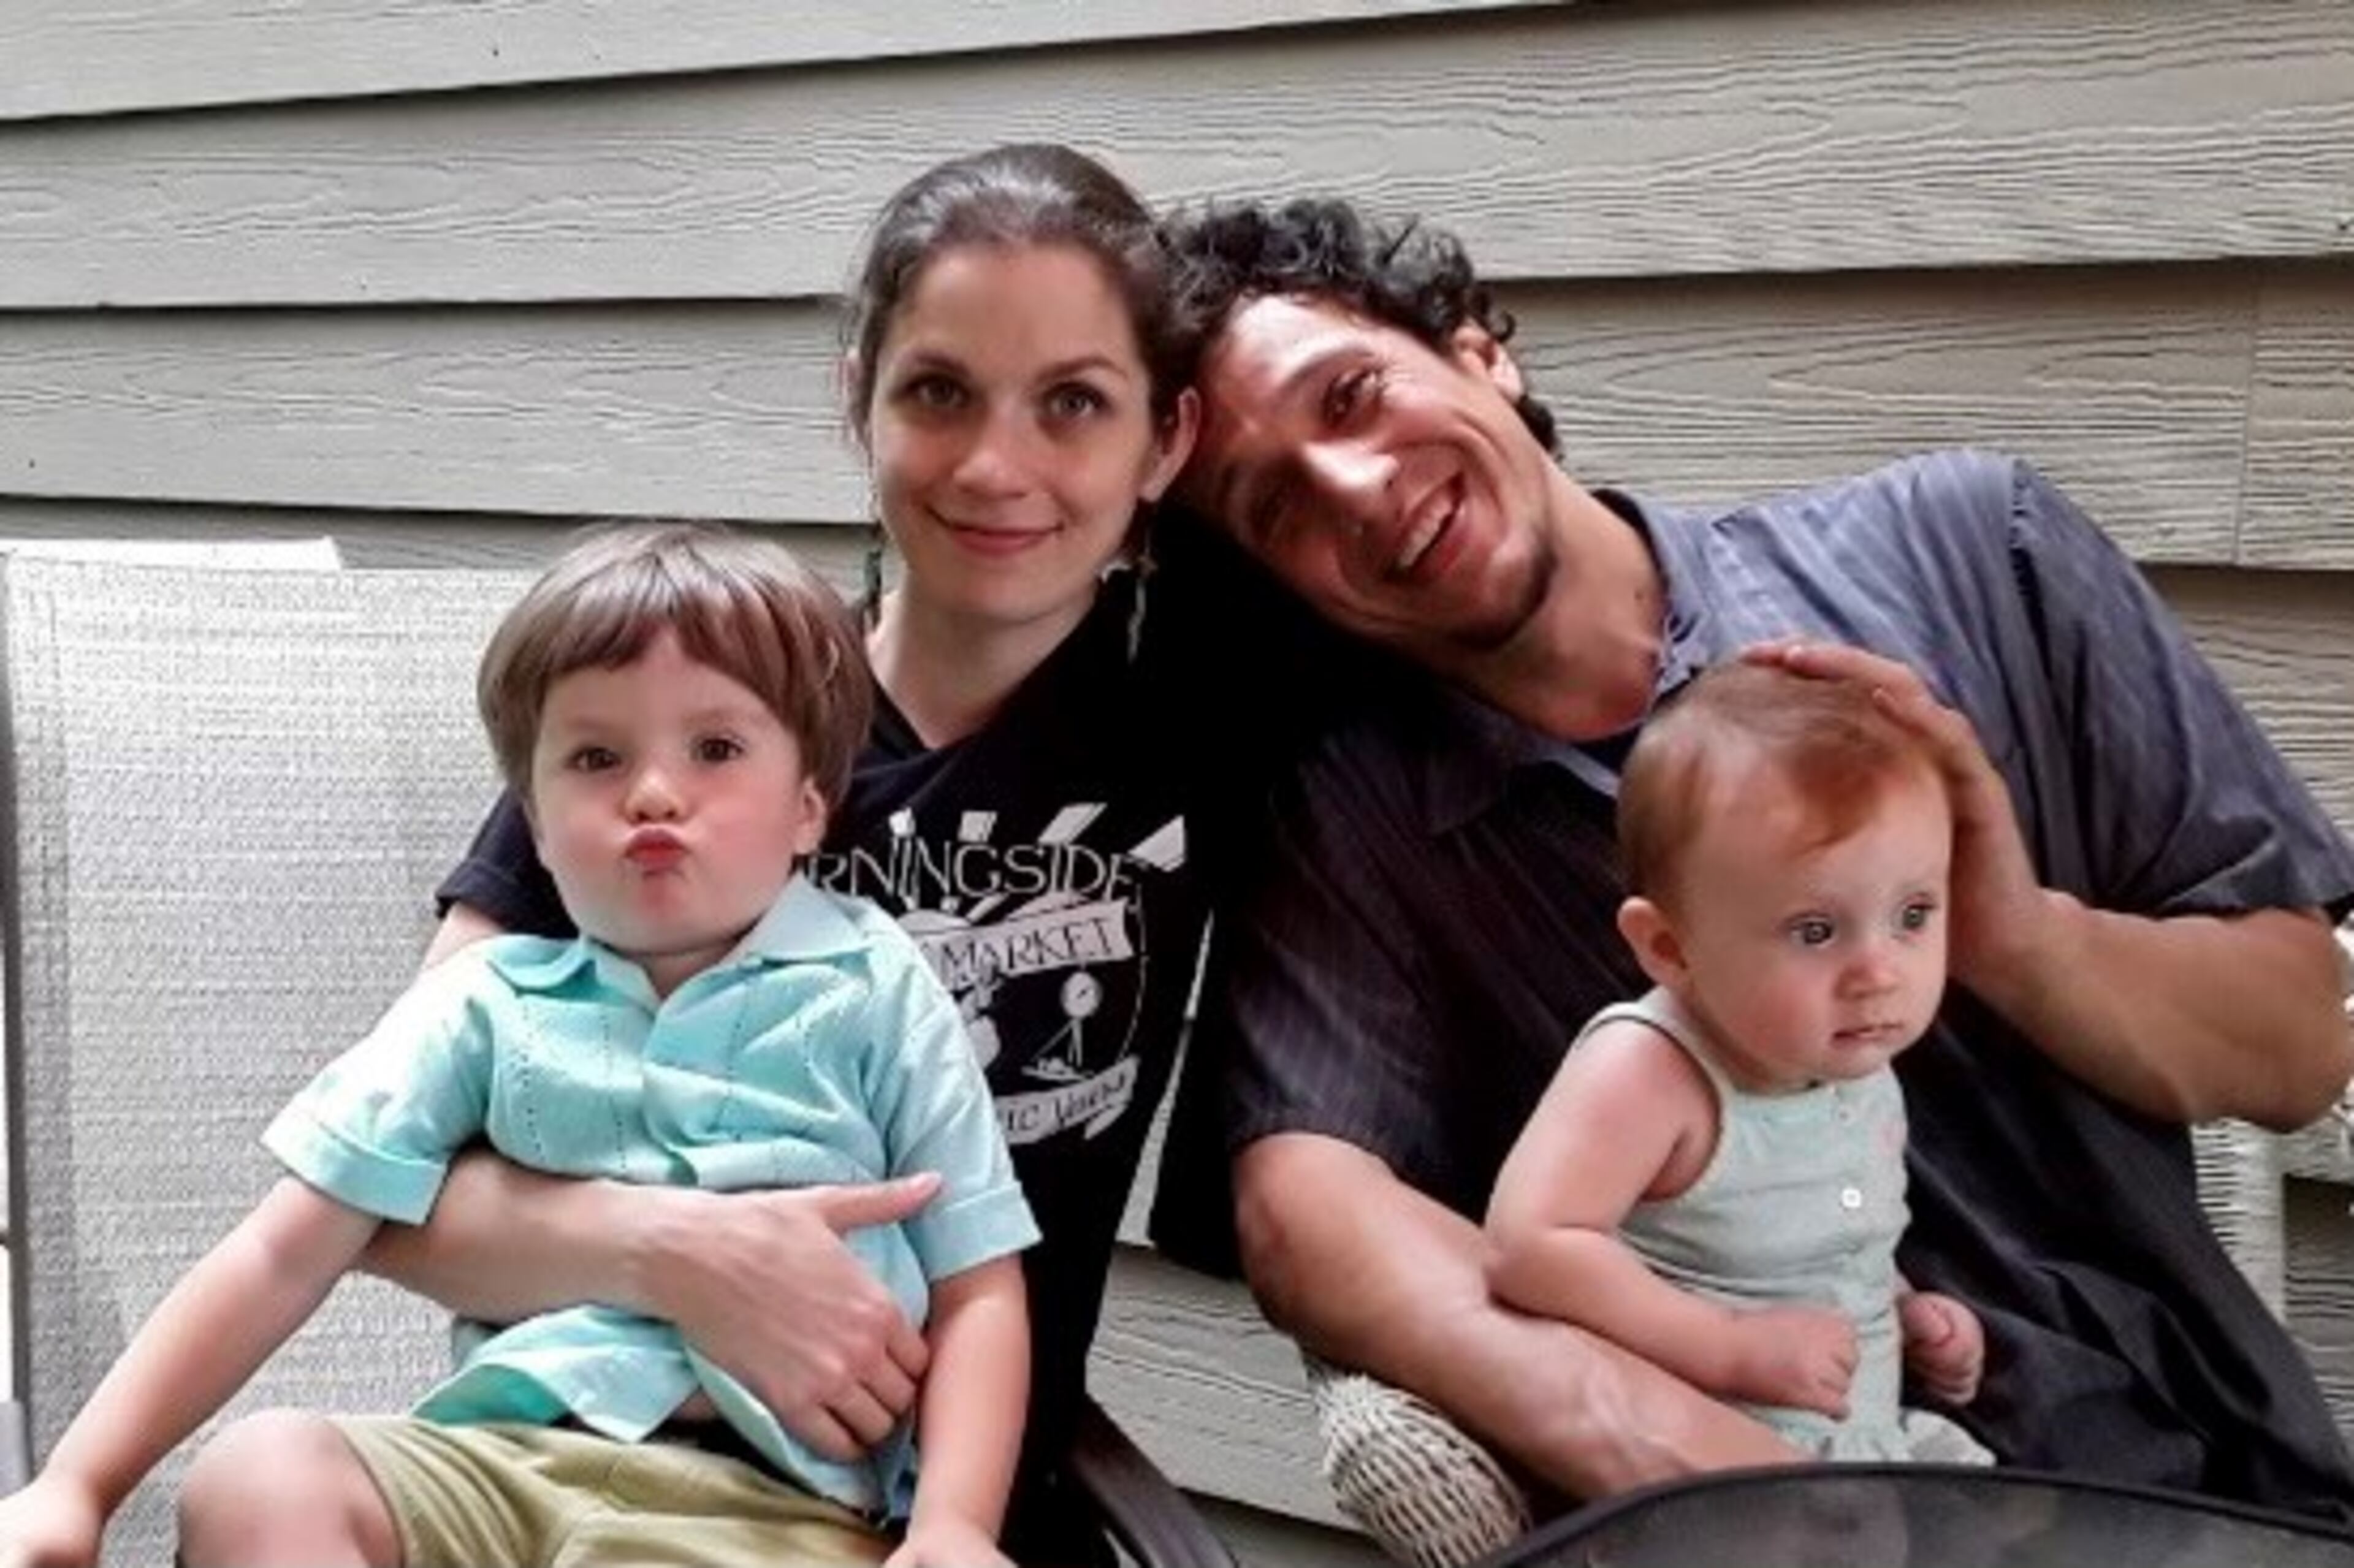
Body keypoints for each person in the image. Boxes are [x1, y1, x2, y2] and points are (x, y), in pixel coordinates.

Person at [1150, 197, 2354, 1523]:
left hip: (2198, 1486)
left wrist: (2015, 935)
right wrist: (1675, 1441)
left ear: (1479, 349)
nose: (1362, 488)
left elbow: (2300, 1047)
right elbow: (1300, 1205)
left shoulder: (1971, 551)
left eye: (1354, 395)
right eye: (1278, 508)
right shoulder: (1360, 831)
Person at [349, 145, 1320, 1566]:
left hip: (938, 1515)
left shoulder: (1207, 722)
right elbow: (387, 1192)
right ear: (856, 393)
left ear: (1165, 443)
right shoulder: (696, 726)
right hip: (580, 1469)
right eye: (939, 391)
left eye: (1074, 403)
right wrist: (686, 1255)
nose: (999, 465)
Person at [0, 523, 1039, 1568]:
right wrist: (77, 1485)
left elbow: (979, 1284)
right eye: (597, 757)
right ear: (535, 826)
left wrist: (952, 1525)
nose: (653, 791)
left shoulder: (876, 987)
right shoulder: (487, 1005)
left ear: (811, 804)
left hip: (772, 1515)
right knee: (262, 1476)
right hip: (492, 1472)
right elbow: (280, 1249)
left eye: (715, 749)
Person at [1484, 661, 1989, 1465]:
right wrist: (1726, 1345)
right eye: (1817, 930)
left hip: (1867, 1452)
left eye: (1913, 914)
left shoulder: (1848, 1057)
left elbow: (1820, 1242)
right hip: (1710, 1469)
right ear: (1671, 947)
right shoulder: (1652, 1070)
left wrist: (1906, 1311)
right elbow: (1529, 1242)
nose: (1880, 971)